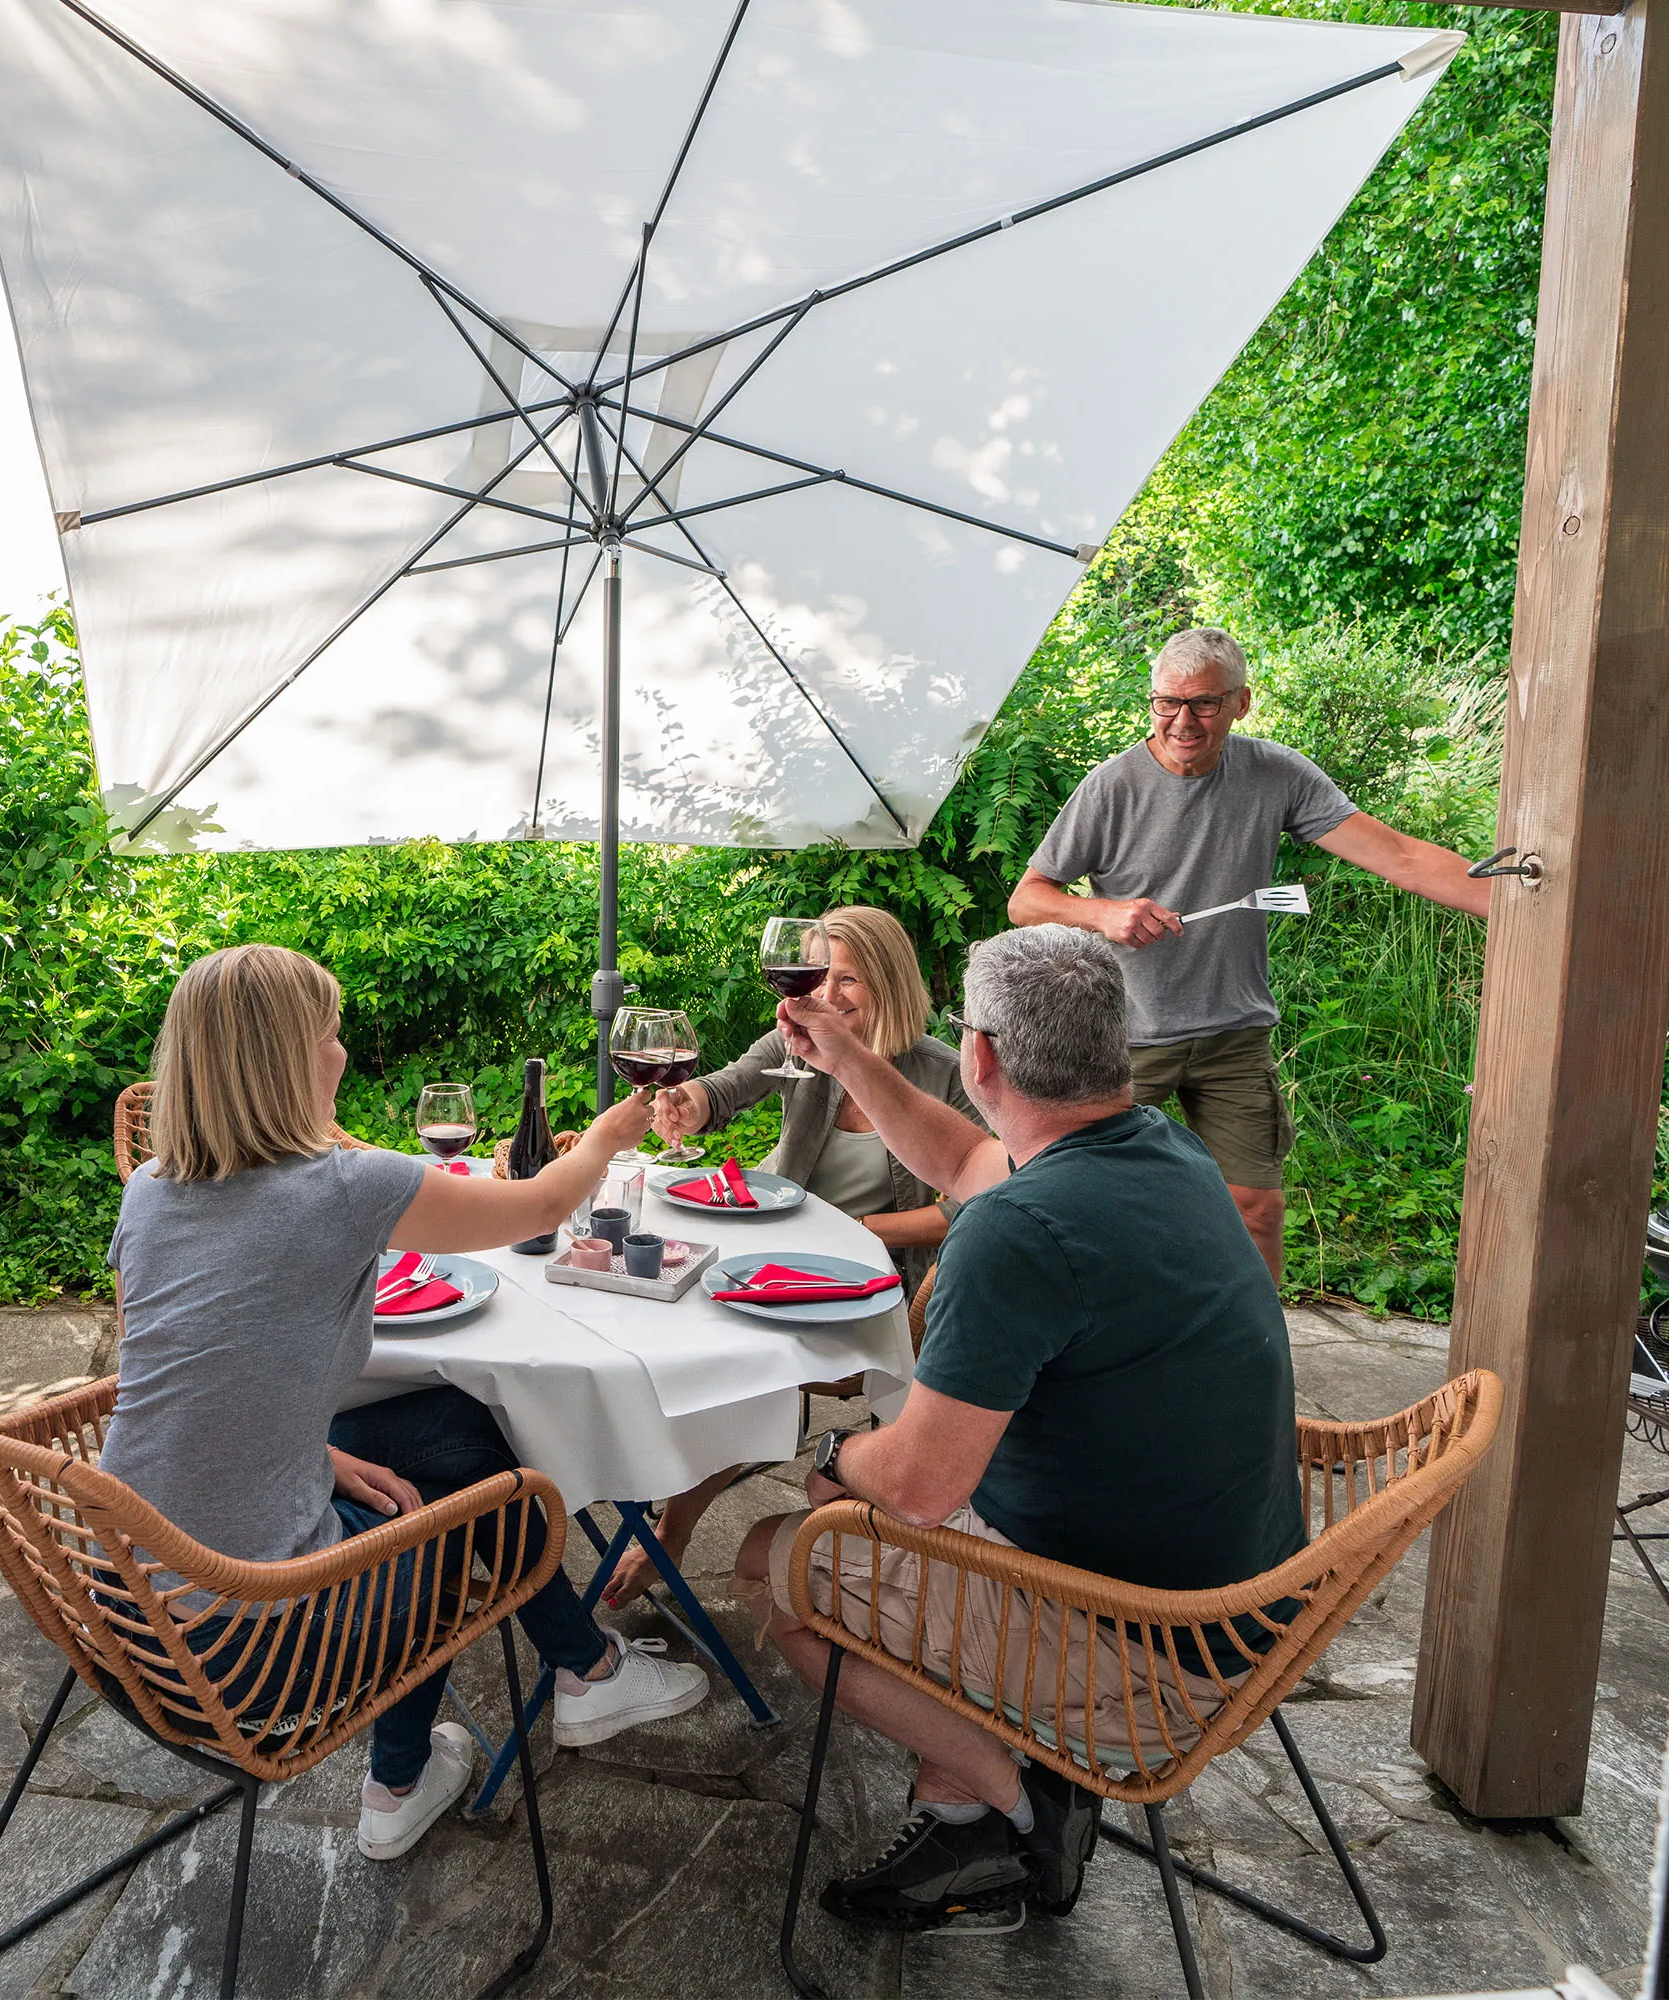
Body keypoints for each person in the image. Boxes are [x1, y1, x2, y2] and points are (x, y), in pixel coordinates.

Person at [735, 925, 1307, 1934]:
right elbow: (958, 1150)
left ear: (980, 1056)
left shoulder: (1017, 1232)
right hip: (1238, 1598)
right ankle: (957, 1812)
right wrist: (846, 1050)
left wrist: (832, 1455)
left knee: (777, 1561)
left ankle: (1019, 1799)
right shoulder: (1158, 1148)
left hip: (1144, 1643)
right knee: (868, 1530)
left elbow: (915, 1484)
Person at [101, 944, 709, 1864]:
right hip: (255, 1643)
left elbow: (192, 1377)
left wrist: (318, 1454)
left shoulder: (150, 1189)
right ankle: (410, 1770)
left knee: (450, 1432)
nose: (342, 1053)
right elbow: (534, 1205)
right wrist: (609, 1136)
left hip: (123, 1606)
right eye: (331, 1035)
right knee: (469, 1511)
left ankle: (584, 1675)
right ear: (291, 1061)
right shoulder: (341, 1191)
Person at [1006, 626, 1491, 1282]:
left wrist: (1514, 904)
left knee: (1255, 1208)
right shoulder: (1111, 787)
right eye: (1165, 703)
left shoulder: (1276, 774)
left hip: (1232, 1031)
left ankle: (1253, 1355)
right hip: (1123, 1035)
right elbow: (1028, 900)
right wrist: (1102, 913)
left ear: (1242, 703)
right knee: (1083, 1204)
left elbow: (1400, 856)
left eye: (1204, 704)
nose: (1182, 721)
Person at [601, 905, 978, 1610]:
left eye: (849, 981)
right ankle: (670, 1526)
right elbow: (731, 1084)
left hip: (884, 1284)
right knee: (706, 1343)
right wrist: (689, 1102)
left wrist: (858, 1228)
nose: (827, 997)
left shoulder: (945, 1074)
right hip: (776, 1262)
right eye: (819, 978)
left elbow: (973, 1205)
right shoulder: (797, 1043)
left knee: (746, 1364)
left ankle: (807, 1516)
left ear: (890, 983)